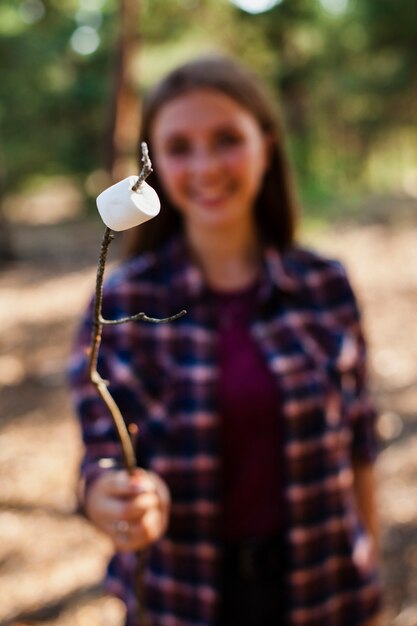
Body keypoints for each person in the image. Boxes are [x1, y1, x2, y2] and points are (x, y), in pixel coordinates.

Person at [68, 55, 382, 626]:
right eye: (180, 147)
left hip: (324, 593)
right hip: (181, 603)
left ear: (265, 142)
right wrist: (111, 497)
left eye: (226, 138)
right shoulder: (122, 303)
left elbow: (359, 448)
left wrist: (371, 580)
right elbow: (100, 455)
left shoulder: (324, 285)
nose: (206, 165)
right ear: (154, 162)